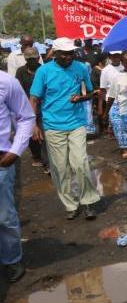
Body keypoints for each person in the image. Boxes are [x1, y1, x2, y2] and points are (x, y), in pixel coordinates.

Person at [29, 37, 102, 220]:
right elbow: (34, 99)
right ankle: (70, 204)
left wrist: (81, 98)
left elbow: (92, 92)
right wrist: (33, 124)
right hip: (53, 126)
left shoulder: (80, 68)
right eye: (64, 54)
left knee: (80, 163)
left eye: (70, 53)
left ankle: (87, 202)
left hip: (76, 123)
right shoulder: (44, 71)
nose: (68, 57)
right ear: (55, 53)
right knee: (60, 168)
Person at [0, 70, 36, 283]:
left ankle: (12, 259)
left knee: (4, 216)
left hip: (2, 160)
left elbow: (26, 117)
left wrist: (16, 150)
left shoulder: (6, 82)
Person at [14, 46, 46, 168]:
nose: (32, 61)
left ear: (38, 58)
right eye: (29, 59)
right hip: (26, 106)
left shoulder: (43, 70)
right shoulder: (21, 71)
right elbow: (18, 89)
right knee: (30, 134)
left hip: (42, 106)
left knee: (43, 132)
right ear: (26, 59)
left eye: (34, 58)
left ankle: (46, 159)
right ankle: (37, 156)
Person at [100, 51, 127, 157]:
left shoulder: (125, 66)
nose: (116, 57)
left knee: (126, 126)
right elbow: (103, 89)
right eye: (114, 55)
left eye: (118, 55)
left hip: (126, 101)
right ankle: (124, 148)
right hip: (112, 102)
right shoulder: (106, 71)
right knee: (118, 126)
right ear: (110, 57)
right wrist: (103, 108)